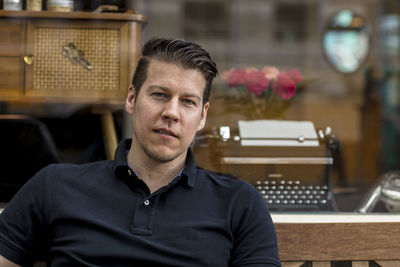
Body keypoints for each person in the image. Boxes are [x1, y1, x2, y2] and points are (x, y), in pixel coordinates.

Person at [0, 38, 281, 266]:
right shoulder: (55, 186)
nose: (171, 112)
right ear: (132, 99)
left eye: (188, 102)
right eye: (159, 95)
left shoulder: (238, 204)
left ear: (202, 117)